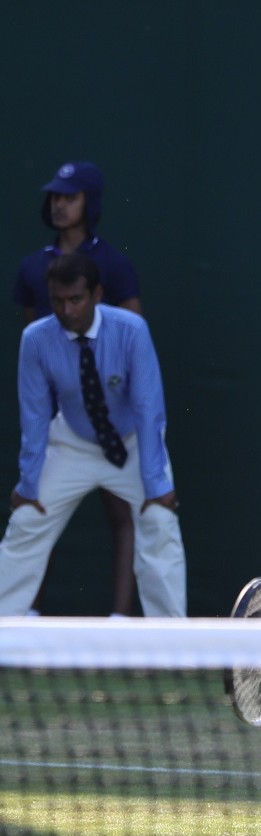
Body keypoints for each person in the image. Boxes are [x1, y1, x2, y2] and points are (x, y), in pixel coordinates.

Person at [0, 253, 186, 618]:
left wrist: (154, 482)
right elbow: (35, 416)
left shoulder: (132, 330)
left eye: (75, 299)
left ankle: (171, 644)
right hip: (71, 444)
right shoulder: (36, 340)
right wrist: (29, 483)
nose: (66, 310)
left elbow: (149, 410)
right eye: (57, 300)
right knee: (27, 520)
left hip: (133, 446)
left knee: (159, 522)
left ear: (97, 294)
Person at [13, 160, 142, 616]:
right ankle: (22, 617)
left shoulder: (113, 263)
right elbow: (40, 343)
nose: (61, 205)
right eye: (56, 198)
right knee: (34, 517)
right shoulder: (33, 268)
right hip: (61, 420)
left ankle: (121, 619)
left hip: (116, 421)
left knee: (123, 515)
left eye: (71, 197)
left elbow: (133, 334)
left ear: (91, 203)